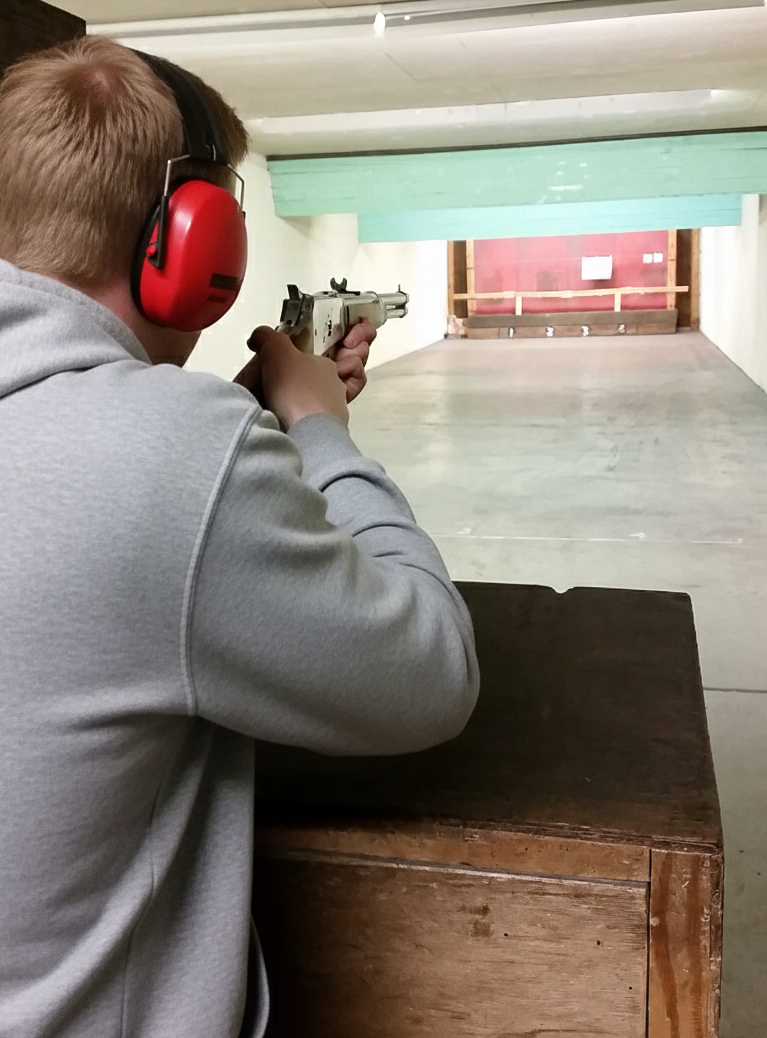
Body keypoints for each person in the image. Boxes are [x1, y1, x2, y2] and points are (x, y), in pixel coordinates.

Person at [0, 35, 479, 1038]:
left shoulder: (162, 452)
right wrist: (319, 433)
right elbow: (426, 674)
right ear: (194, 242)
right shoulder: (174, 454)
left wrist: (235, 435)